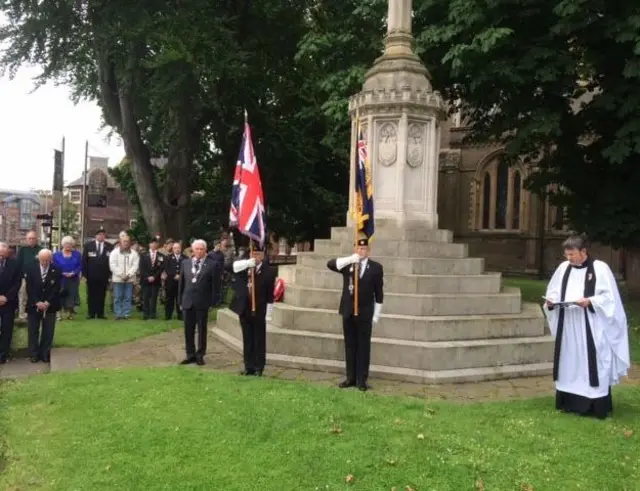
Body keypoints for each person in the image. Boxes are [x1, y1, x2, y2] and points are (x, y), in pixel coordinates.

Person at [543, 235, 630, 419]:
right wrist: (551, 303)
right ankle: (569, 401)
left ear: (584, 251)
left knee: (594, 361)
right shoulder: (563, 268)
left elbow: (609, 299)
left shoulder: (600, 268)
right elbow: (553, 292)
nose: (569, 259)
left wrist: (590, 301)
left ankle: (594, 404)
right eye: (567, 255)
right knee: (569, 361)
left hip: (591, 326)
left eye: (572, 254)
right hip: (569, 325)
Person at [326, 237, 384, 391]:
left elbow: (379, 294)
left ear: (369, 251)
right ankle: (350, 377)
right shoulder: (348, 265)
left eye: (364, 249)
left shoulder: (376, 268)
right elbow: (330, 264)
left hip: (365, 313)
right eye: (358, 248)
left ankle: (361, 380)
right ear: (354, 249)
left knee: (363, 346)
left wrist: (376, 315)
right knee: (350, 345)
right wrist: (350, 259)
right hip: (348, 311)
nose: (361, 251)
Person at [230, 243, 276, 376]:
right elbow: (231, 266)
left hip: (260, 309)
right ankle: (248, 366)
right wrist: (247, 263)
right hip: (245, 308)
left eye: (258, 254)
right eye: (253, 254)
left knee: (259, 339)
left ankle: (258, 367)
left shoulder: (269, 271)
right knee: (247, 338)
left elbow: (270, 294)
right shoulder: (244, 267)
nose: (256, 256)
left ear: (263, 255)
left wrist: (269, 313)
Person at [178, 239, 217, 366]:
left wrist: (213, 302)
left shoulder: (212, 264)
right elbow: (181, 283)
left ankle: (200, 354)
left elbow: (215, 285)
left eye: (201, 249)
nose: (199, 251)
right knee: (188, 330)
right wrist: (180, 300)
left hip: (202, 301)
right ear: (192, 250)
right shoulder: (185, 263)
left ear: (205, 250)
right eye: (197, 249)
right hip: (187, 301)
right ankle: (190, 354)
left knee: (202, 330)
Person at [25, 249, 61, 363]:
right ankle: (34, 354)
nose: (44, 263)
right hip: (34, 305)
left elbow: (56, 288)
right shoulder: (31, 269)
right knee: (33, 331)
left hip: (50, 305)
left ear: (50, 259)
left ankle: (45, 353)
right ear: (38, 259)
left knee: (48, 331)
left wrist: (47, 302)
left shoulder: (56, 270)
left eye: (47, 260)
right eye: (42, 260)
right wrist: (37, 302)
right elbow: (29, 288)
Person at [82, 226, 113, 319]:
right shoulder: (88, 246)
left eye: (103, 234)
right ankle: (91, 313)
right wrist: (84, 274)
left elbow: (111, 261)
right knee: (91, 295)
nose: (101, 236)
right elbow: (84, 261)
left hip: (104, 275)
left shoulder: (109, 246)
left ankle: (100, 314)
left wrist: (110, 275)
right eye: (99, 234)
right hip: (91, 275)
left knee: (102, 295)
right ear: (96, 236)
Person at [109, 234, 140, 320]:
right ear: (120, 242)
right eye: (124, 241)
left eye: (127, 241)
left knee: (128, 297)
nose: (126, 243)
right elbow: (112, 265)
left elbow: (135, 265)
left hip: (129, 279)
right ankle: (118, 314)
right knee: (117, 297)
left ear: (130, 242)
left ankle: (126, 314)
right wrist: (121, 274)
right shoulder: (114, 252)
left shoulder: (134, 253)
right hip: (118, 279)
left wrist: (129, 275)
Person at [0, 242, 22, 364]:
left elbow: (17, 282)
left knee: (7, 329)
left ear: (7, 252)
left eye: (3, 255)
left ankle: (3, 354)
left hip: (8, 302)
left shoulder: (15, 264)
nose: (1, 257)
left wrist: (6, 297)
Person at [53, 236, 82, 320]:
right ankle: (58, 314)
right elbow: (54, 266)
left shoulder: (77, 254)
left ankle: (69, 313)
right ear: (63, 244)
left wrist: (74, 273)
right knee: (59, 295)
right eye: (66, 244)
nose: (68, 245)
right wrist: (61, 273)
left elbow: (80, 266)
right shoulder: (56, 255)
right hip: (60, 279)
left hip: (73, 279)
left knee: (71, 296)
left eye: (70, 244)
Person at [16, 230, 42, 320]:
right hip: (24, 277)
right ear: (27, 239)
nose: (31, 240)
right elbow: (18, 264)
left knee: (36, 295)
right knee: (23, 295)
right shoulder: (22, 250)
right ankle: (22, 313)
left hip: (37, 277)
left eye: (33, 238)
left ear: (36, 239)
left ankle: (35, 311)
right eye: (29, 238)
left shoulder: (41, 249)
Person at [140, 236, 165, 320]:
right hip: (145, 280)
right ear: (149, 244)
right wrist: (148, 277)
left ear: (157, 244)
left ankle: (153, 314)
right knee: (146, 297)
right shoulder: (143, 255)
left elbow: (161, 268)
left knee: (154, 297)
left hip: (156, 280)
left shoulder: (161, 256)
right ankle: (145, 314)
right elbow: (142, 268)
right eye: (152, 243)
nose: (153, 245)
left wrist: (154, 277)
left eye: (155, 243)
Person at [165, 242, 186, 320]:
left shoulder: (185, 258)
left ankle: (180, 315)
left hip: (181, 282)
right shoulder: (168, 258)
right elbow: (167, 269)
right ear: (172, 249)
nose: (177, 249)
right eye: (175, 248)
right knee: (169, 299)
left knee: (180, 299)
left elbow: (186, 269)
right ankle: (168, 315)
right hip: (170, 282)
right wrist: (174, 275)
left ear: (181, 248)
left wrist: (180, 276)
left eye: (178, 248)